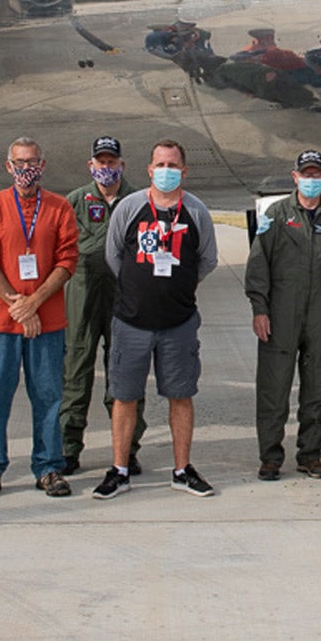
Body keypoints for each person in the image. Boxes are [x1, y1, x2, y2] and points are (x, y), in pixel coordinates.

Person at [95, 140, 221, 499]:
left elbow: (207, 260)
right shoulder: (130, 207)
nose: (167, 171)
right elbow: (114, 254)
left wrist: (177, 287)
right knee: (124, 396)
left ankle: (182, 470)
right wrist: (141, 287)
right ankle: (119, 469)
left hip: (178, 323)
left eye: (173, 165)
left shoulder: (195, 211)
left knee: (180, 396)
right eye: (160, 164)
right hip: (131, 322)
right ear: (149, 170)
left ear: (184, 170)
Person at [0, 138, 80, 500]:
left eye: (31, 162)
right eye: (19, 162)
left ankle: (48, 467)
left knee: (48, 395)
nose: (25, 168)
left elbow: (67, 260)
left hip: (46, 321)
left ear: (42, 165)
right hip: (0, 322)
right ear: (8, 166)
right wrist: (17, 304)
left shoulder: (60, 207)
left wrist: (35, 303)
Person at [246, 150, 321, 480]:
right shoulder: (277, 214)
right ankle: (270, 457)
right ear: (294, 177)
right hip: (280, 315)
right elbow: (258, 265)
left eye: (316, 174)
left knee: (317, 387)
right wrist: (259, 309)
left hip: (320, 315)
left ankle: (310, 454)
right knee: (273, 388)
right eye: (305, 174)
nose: (311, 179)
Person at [59, 136, 147, 476]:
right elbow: (64, 248)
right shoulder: (75, 202)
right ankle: (68, 447)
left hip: (125, 297)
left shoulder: (139, 201)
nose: (106, 167)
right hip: (82, 296)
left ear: (122, 165)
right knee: (75, 371)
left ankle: (127, 449)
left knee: (124, 376)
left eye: (112, 162)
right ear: (90, 165)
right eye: (101, 161)